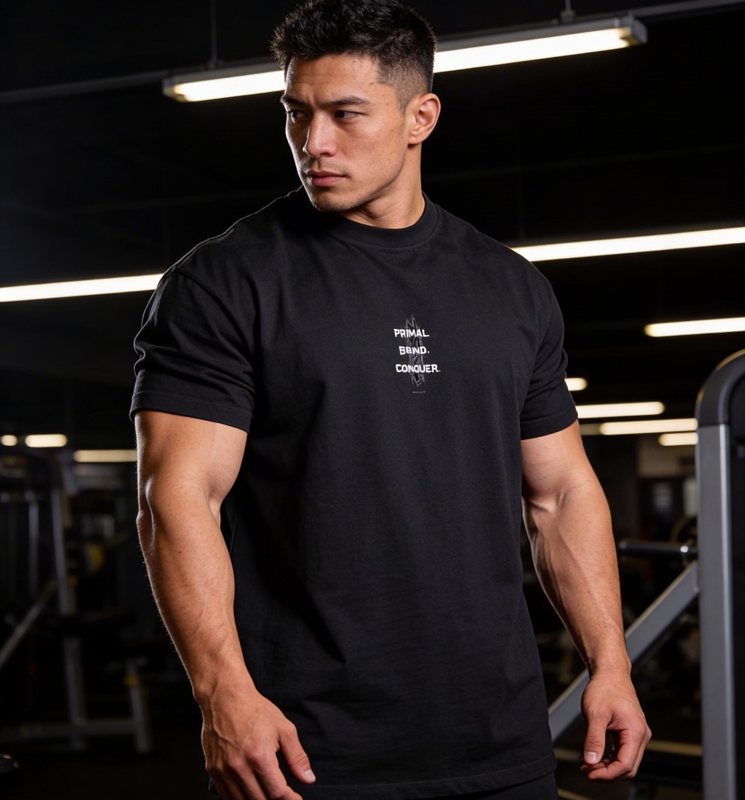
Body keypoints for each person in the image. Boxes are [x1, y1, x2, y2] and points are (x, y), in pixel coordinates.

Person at [131, 1, 651, 798]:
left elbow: (560, 494)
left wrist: (609, 663)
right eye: (295, 113)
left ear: (420, 118)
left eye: (344, 114)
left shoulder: (510, 289)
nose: (313, 142)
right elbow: (177, 496)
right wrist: (221, 693)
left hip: (497, 741)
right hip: (301, 752)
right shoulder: (223, 283)